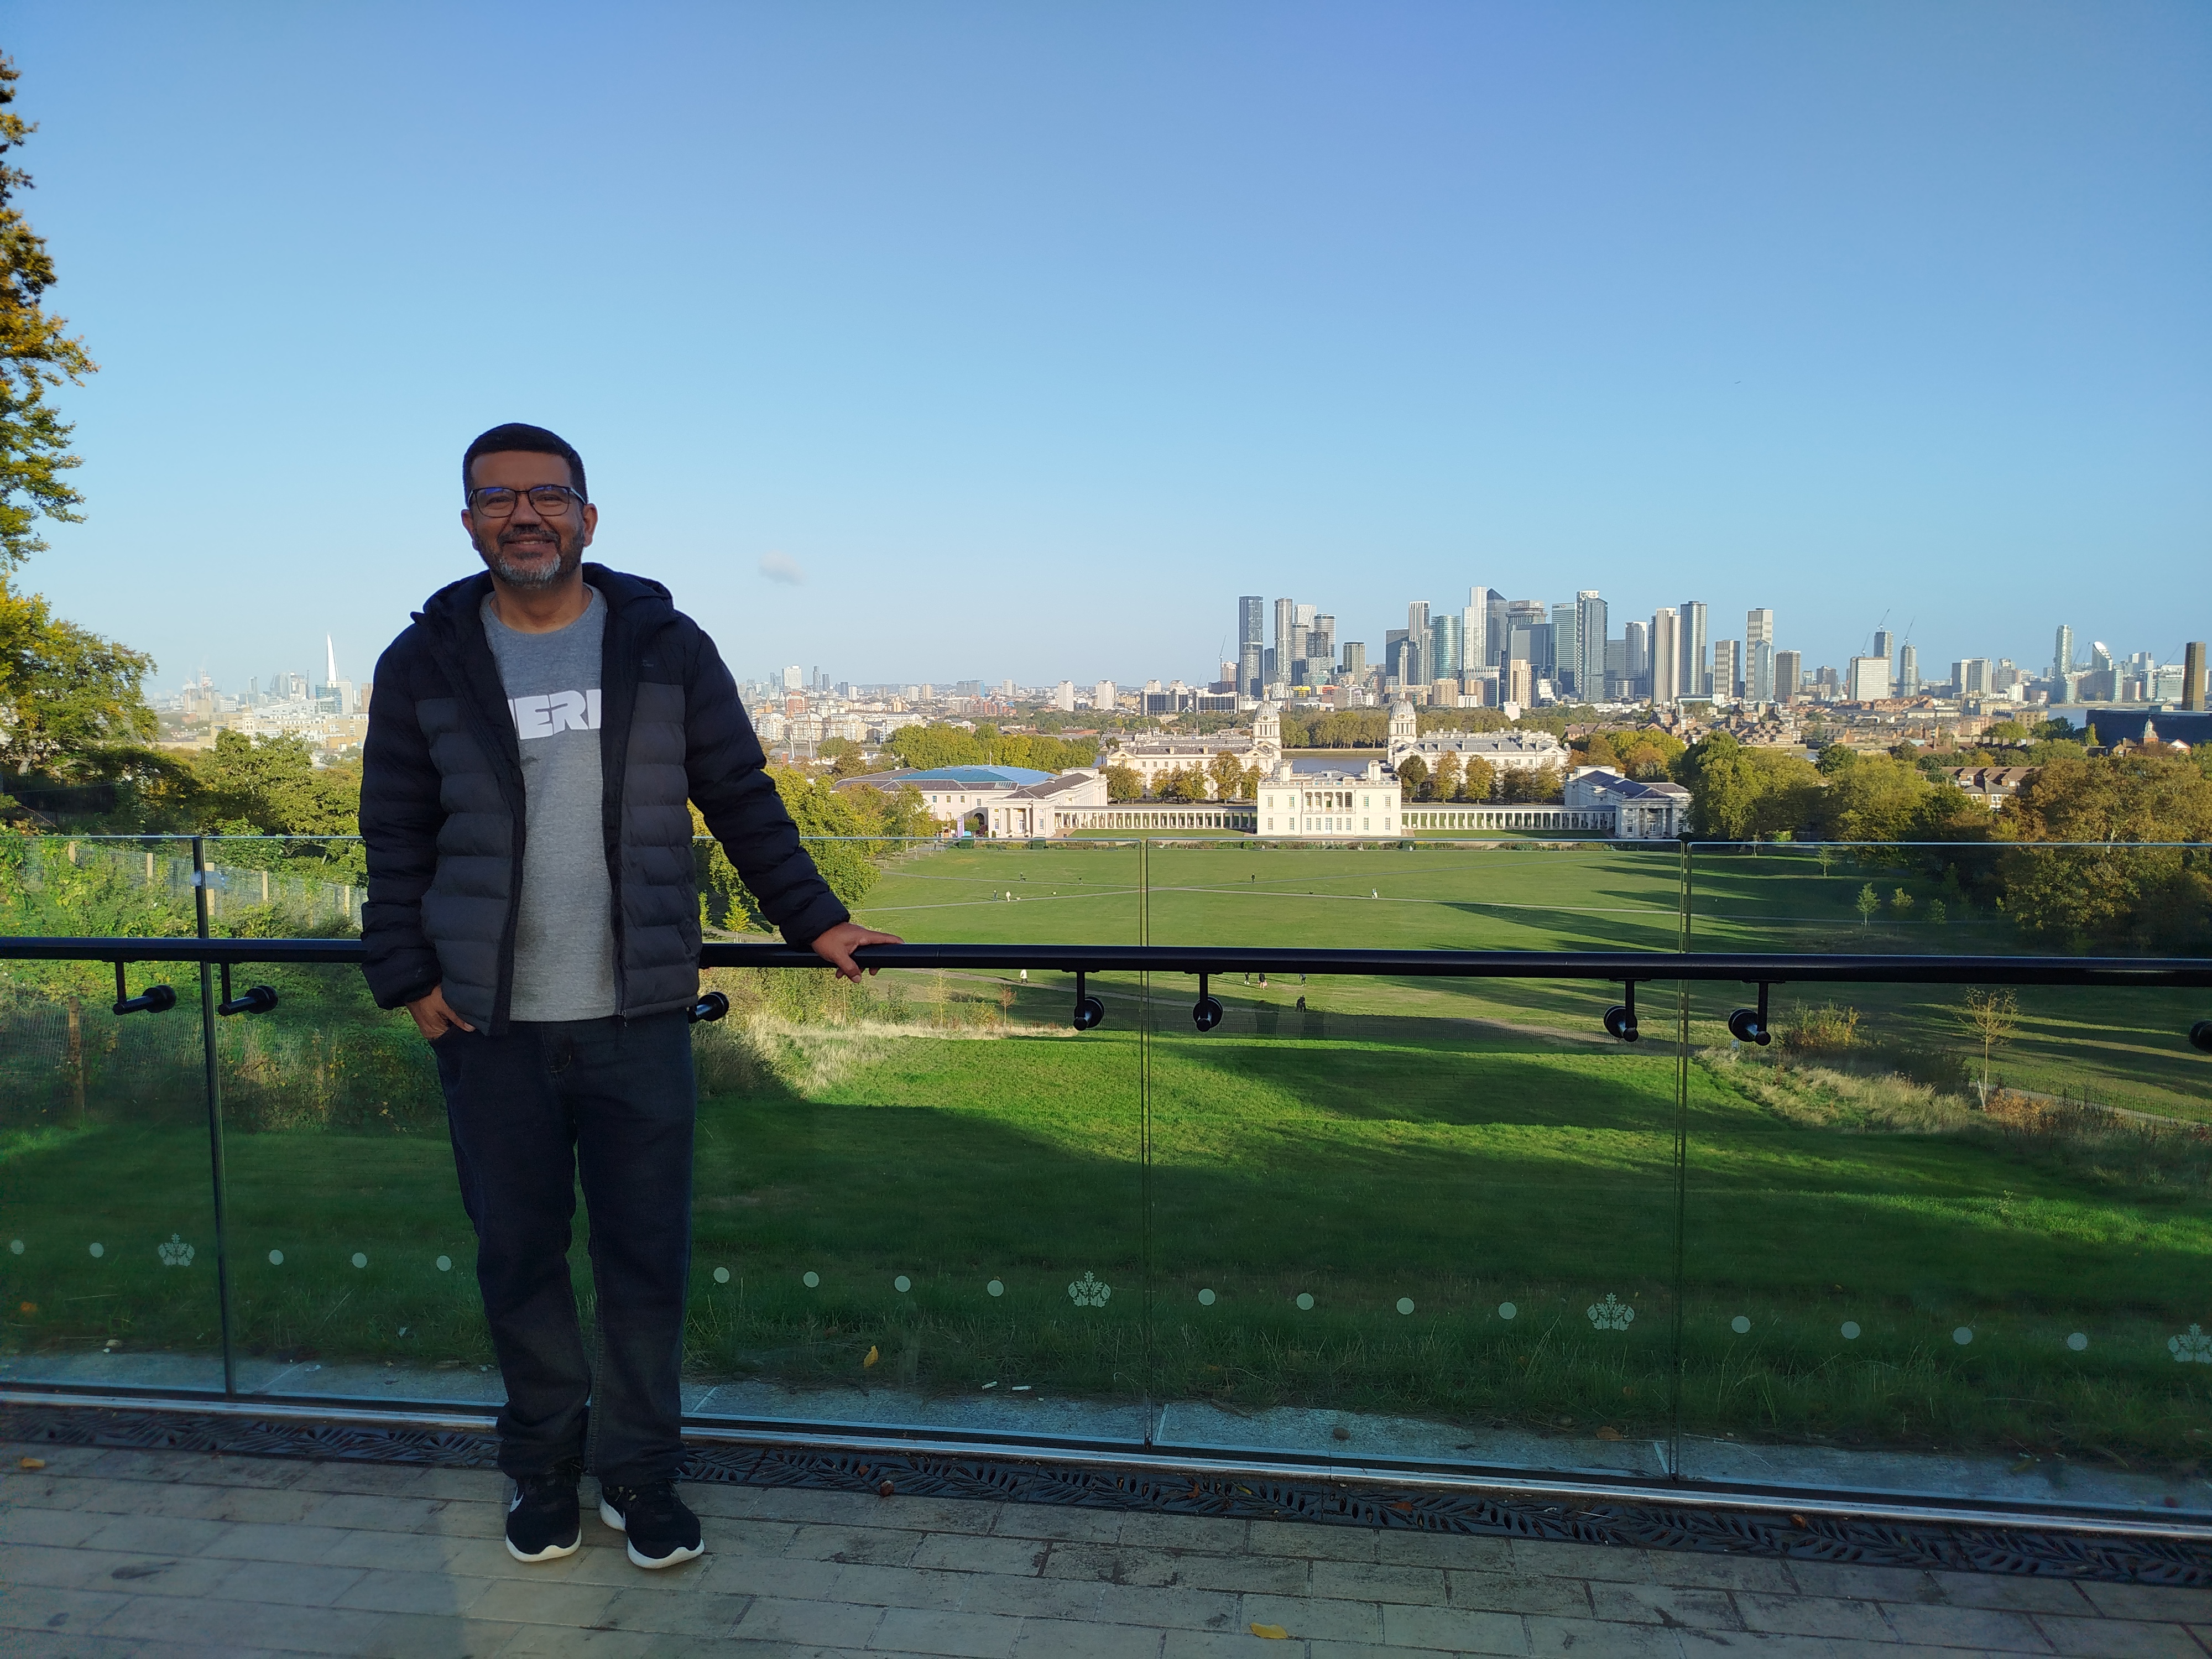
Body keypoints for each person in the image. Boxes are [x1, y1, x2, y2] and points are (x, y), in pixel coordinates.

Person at [360, 422, 899, 1569]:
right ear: (470, 524)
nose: (524, 515)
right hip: (488, 1026)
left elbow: (739, 794)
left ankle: (641, 1475)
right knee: (519, 1261)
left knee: (644, 1265)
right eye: (498, 498)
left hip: (639, 1016)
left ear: (587, 517)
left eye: (547, 495)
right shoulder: (424, 661)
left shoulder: (663, 645)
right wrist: (406, 977)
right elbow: (394, 832)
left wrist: (814, 918)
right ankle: (543, 1469)